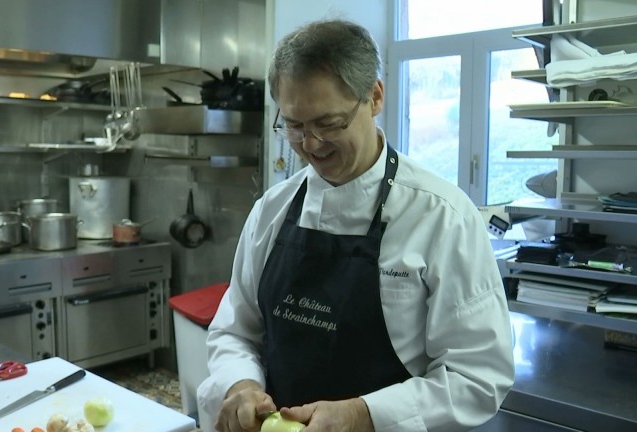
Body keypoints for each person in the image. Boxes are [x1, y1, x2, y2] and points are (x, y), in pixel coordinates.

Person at [196, 19, 514, 432]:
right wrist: (239, 384)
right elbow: (236, 330)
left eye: (328, 123)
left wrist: (364, 414)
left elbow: (478, 376)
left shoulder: (442, 217)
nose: (309, 144)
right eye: (294, 125)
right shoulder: (272, 210)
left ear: (375, 96)